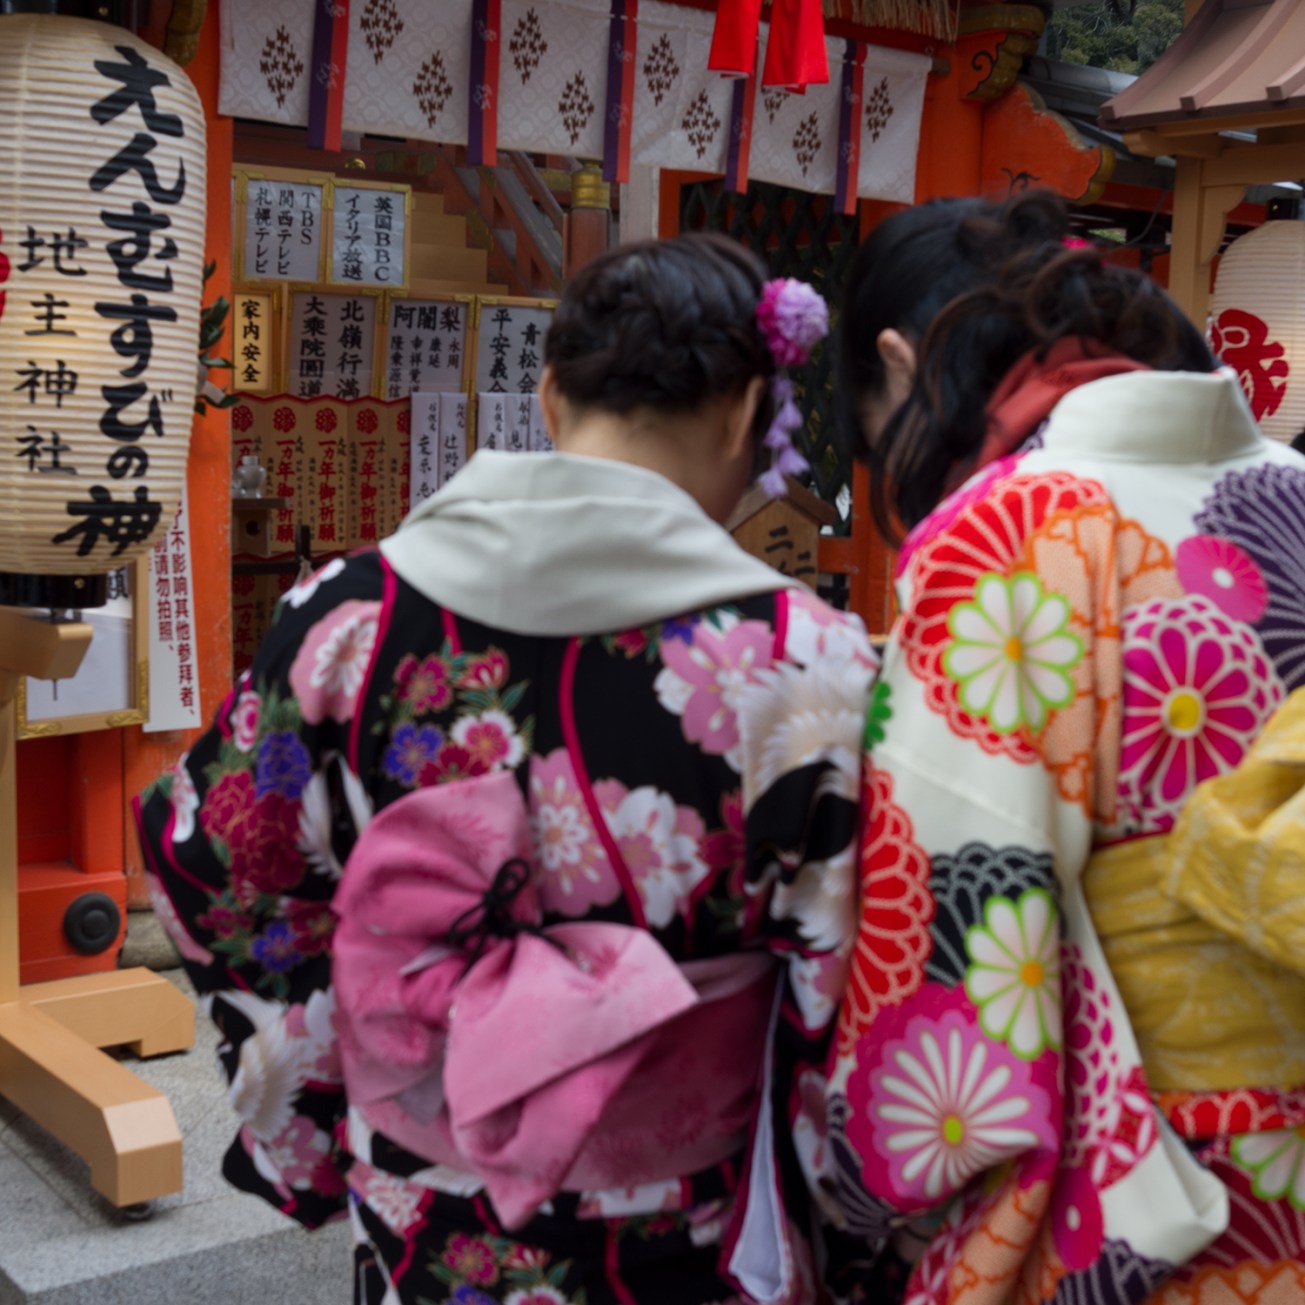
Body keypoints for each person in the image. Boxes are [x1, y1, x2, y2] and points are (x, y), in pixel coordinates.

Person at [136, 233, 877, 1305]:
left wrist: (336, 1076)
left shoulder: (347, 618)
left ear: (547, 397)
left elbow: (214, 866)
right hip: (689, 1218)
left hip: (426, 1201)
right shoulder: (812, 662)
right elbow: (855, 969)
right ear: (743, 413)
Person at [819, 191, 1305, 1303]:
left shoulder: (1008, 536)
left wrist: (855, 1203)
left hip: (1157, 1198)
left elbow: (942, 954)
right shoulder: (1295, 494)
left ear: (901, 363)